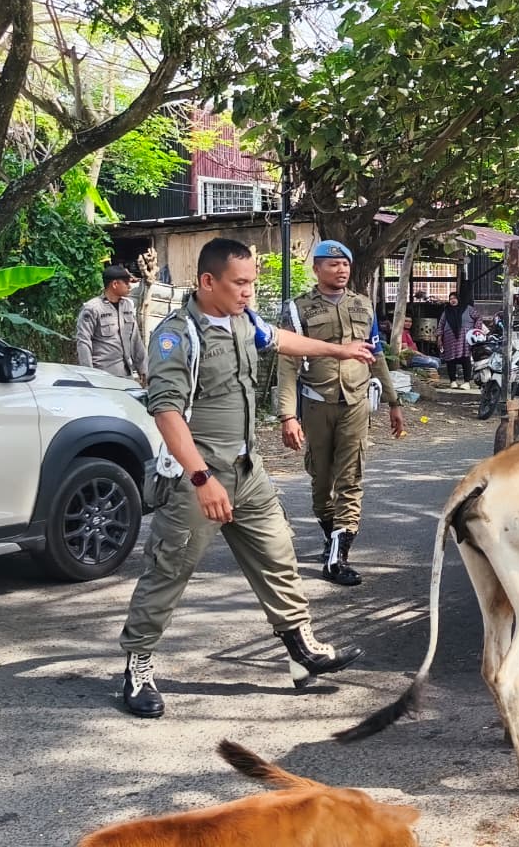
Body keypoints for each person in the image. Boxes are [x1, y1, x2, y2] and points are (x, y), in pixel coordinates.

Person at [117, 238, 377, 719]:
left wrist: (339, 350)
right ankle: (137, 665)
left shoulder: (244, 320)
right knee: (169, 571)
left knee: (278, 557)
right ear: (207, 281)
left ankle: (302, 648)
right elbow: (167, 412)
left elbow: (282, 340)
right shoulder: (177, 336)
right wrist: (202, 480)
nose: (248, 291)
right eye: (239, 283)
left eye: (252, 283)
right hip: (198, 477)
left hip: (248, 470)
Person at [278, 240, 407, 587]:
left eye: (345, 264)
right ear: (317, 269)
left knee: (351, 477)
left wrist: (394, 402)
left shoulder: (363, 305)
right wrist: (288, 416)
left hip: (356, 403)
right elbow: (288, 364)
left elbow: (375, 356)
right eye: (333, 264)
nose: (341, 270)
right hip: (316, 403)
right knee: (321, 480)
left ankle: (338, 557)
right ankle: (331, 536)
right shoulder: (298, 309)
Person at [76, 264, 147, 384]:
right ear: (115, 284)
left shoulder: (127, 306)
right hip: (102, 376)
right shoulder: (92, 308)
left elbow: (135, 339)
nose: (130, 286)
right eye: (126, 283)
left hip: (126, 374)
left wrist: (143, 368)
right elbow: (83, 342)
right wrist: (89, 375)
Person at [437, 291, 481, 388]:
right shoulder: (446, 312)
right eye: (450, 299)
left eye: (454, 298)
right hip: (449, 341)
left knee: (466, 359)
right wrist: (439, 338)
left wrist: (475, 330)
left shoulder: (468, 309)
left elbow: (478, 318)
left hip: (464, 340)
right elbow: (441, 325)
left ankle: (466, 382)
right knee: (450, 360)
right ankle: (453, 381)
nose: (452, 300)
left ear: (458, 299)